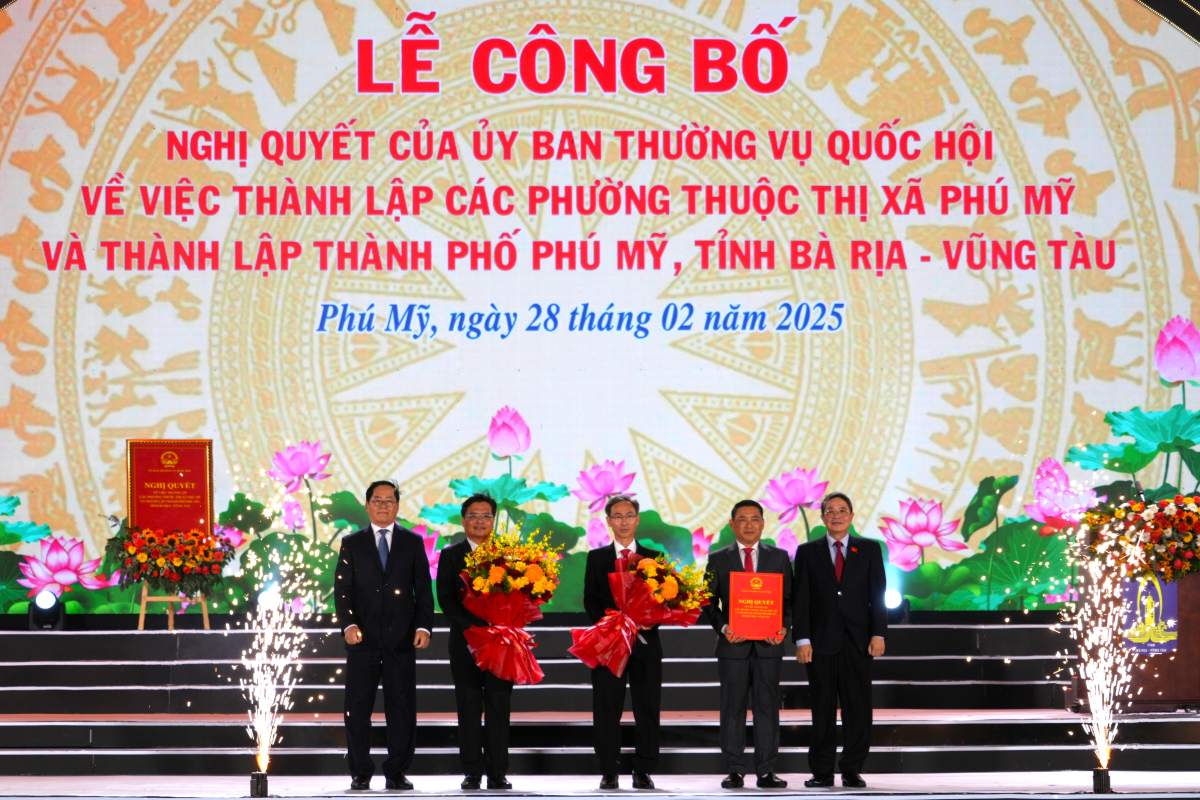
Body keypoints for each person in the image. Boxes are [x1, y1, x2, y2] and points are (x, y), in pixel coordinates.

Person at [334, 479, 434, 791]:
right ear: (367, 505)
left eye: (389, 500)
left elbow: (423, 592)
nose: (383, 505)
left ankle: (397, 771)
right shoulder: (352, 543)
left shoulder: (412, 543)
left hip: (401, 641)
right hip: (362, 642)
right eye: (377, 500)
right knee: (358, 708)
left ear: (398, 505)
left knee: (402, 708)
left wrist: (423, 627)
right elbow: (343, 591)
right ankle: (360, 771)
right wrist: (348, 626)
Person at [792, 492, 886, 789]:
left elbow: (877, 594)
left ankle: (852, 768)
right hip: (820, 643)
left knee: (858, 707)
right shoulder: (807, 552)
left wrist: (879, 632)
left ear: (852, 515)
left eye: (842, 510)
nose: (836, 515)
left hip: (859, 642)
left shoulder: (869, 549)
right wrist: (802, 639)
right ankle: (821, 771)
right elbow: (801, 599)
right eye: (830, 510)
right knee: (822, 708)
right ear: (821, 517)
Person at [704, 499, 793, 789]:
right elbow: (707, 603)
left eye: (755, 519)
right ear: (732, 525)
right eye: (742, 519)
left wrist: (783, 627)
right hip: (733, 646)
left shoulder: (779, 558)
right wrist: (724, 627)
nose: (749, 524)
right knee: (733, 708)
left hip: (769, 645)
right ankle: (735, 770)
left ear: (763, 523)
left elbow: (789, 601)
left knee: (767, 707)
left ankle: (766, 770)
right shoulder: (718, 559)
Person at [583, 494, 662, 791]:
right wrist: (614, 623)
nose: (624, 521)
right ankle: (608, 770)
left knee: (647, 707)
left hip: (645, 643)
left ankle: (644, 770)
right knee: (606, 707)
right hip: (609, 643)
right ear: (608, 521)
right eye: (617, 516)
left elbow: (663, 599)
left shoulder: (654, 557)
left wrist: (650, 618)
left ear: (638, 519)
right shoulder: (597, 558)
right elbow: (590, 600)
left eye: (629, 515)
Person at [435, 493, 513, 791]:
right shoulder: (451, 555)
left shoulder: (509, 554)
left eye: (486, 516)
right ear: (463, 520)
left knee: (499, 703)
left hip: (501, 641)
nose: (480, 521)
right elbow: (445, 598)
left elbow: (522, 595)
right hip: (466, 641)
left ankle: (498, 772)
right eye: (473, 516)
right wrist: (475, 626)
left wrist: (502, 624)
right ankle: (471, 771)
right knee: (468, 705)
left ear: (493, 520)